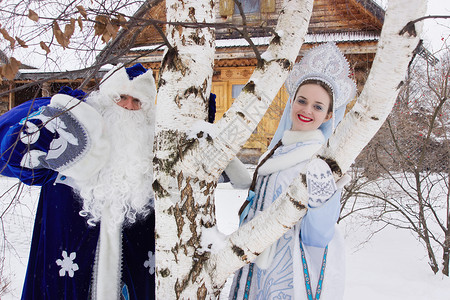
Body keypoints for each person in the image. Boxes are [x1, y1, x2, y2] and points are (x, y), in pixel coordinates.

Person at [0, 63, 157, 299]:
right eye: (121, 97)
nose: (128, 106)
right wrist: (46, 131)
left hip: (134, 276)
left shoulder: (150, 156)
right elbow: (11, 156)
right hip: (66, 272)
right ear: (105, 98)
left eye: (137, 102)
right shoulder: (71, 138)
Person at [229, 42, 356, 300]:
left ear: (329, 115)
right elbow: (256, 191)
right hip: (253, 260)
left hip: (288, 269)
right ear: (292, 102)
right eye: (302, 100)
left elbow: (318, 234)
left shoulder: (320, 162)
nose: (307, 110)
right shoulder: (277, 151)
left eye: (318, 106)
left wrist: (324, 196)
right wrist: (224, 157)